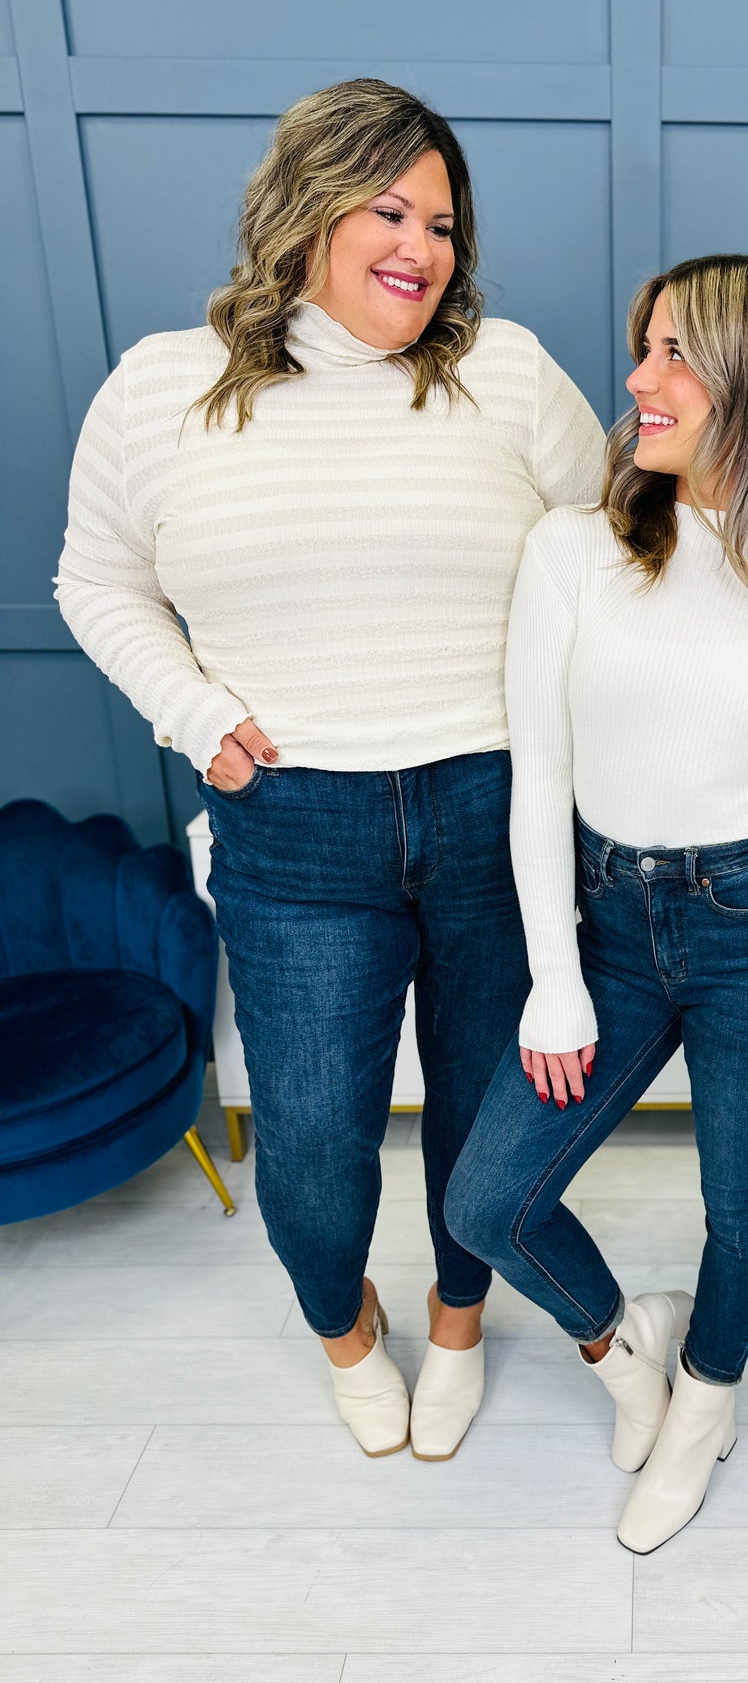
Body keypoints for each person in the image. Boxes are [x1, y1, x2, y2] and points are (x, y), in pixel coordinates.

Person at [56, 78, 605, 1461]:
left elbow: (612, 556)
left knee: (489, 1128)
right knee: (308, 1145)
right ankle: (347, 1332)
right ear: (305, 211)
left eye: (444, 224)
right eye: (391, 212)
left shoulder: (507, 374)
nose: (424, 248)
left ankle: (461, 1323)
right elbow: (96, 580)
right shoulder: (159, 388)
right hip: (293, 831)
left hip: (495, 816)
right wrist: (192, 710)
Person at [445, 254, 748, 1555]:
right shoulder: (573, 551)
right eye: (644, 346)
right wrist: (554, 979)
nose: (637, 379)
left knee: (742, 1210)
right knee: (487, 1202)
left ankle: (707, 1404)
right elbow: (539, 778)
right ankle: (628, 1355)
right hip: (610, 929)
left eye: (674, 353)